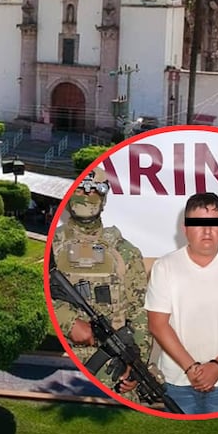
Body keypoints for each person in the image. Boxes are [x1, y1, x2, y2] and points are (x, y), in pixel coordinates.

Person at [145, 192, 218, 415]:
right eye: (199, 223)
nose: (207, 231)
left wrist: (216, 367)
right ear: (185, 229)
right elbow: (157, 324)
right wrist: (191, 368)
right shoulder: (165, 267)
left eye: (214, 223)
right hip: (176, 380)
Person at [51, 167, 152, 402]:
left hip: (114, 368)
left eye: (95, 189)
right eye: (80, 189)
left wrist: (137, 365)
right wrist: (66, 321)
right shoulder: (53, 248)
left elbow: (139, 313)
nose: (87, 195)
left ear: (104, 197)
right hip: (63, 364)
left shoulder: (124, 252)